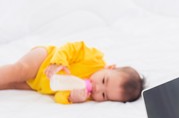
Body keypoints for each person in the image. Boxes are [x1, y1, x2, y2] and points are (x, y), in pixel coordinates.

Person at [0, 41, 143, 104]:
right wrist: (58, 62)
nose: (97, 88)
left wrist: (70, 98)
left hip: (38, 85)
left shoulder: (86, 95)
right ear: (109, 68)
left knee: (10, 85)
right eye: (104, 80)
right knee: (20, 70)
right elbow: (70, 48)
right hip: (44, 59)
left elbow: (58, 95)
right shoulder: (93, 59)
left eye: (104, 95)